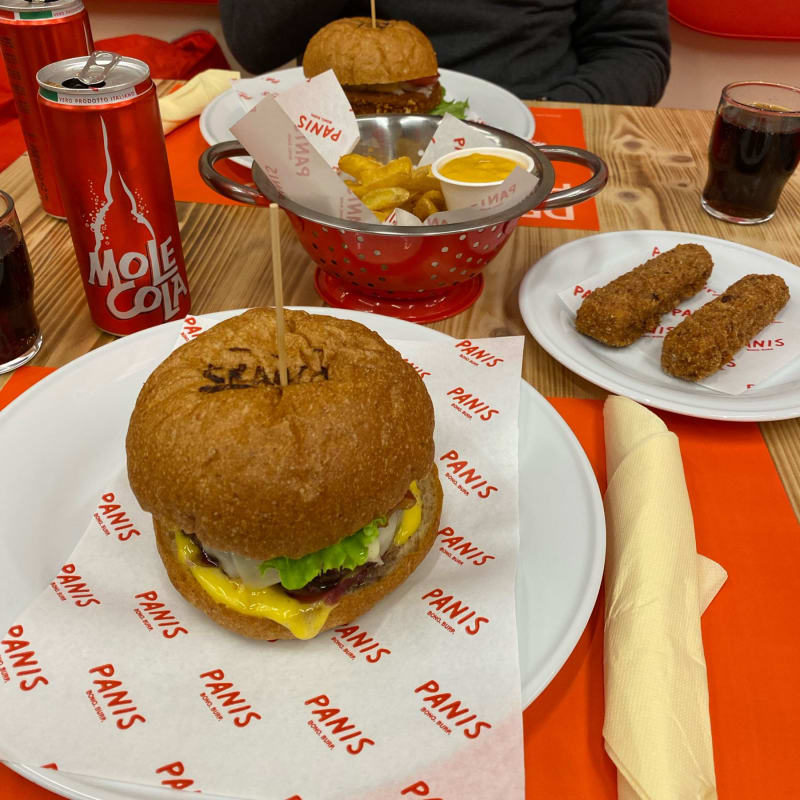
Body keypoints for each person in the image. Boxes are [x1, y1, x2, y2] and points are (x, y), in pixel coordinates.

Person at [219, 0, 671, 106]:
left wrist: (544, 119)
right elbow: (255, 47)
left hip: (538, 121)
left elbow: (633, 48)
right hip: (342, 131)